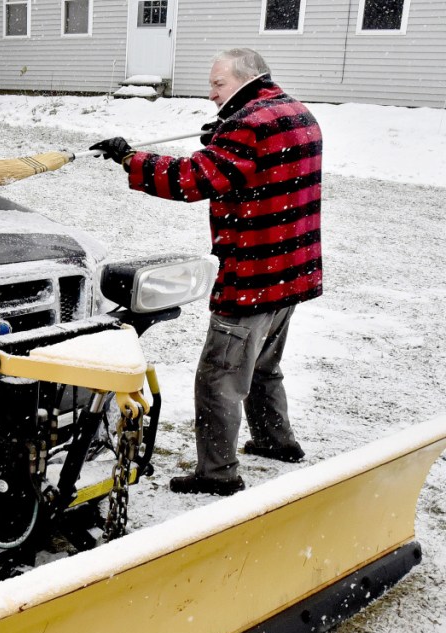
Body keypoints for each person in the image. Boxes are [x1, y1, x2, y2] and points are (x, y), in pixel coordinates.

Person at [92, 48, 323, 496]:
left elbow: (193, 180)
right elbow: (254, 165)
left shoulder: (247, 126)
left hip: (253, 272)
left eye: (218, 83)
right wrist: (219, 141)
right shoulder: (294, 111)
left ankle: (217, 474)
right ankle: (277, 442)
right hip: (290, 270)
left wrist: (129, 158)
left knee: (219, 377)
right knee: (262, 365)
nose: (211, 92)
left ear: (247, 78)